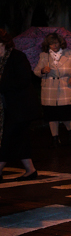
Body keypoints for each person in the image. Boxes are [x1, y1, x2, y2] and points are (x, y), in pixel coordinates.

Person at [33, 32, 71, 146]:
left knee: (65, 113)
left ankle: (69, 131)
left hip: (65, 87)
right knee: (52, 115)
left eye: (56, 43)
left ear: (60, 43)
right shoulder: (44, 56)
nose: (54, 46)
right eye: (51, 43)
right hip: (49, 89)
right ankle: (54, 137)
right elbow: (36, 71)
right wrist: (42, 70)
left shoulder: (69, 54)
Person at [0, 30, 38, 181]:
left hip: (22, 106)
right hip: (8, 107)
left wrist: (1, 84)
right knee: (20, 139)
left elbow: (24, 80)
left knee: (7, 138)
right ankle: (31, 170)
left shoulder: (17, 57)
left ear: (2, 44)